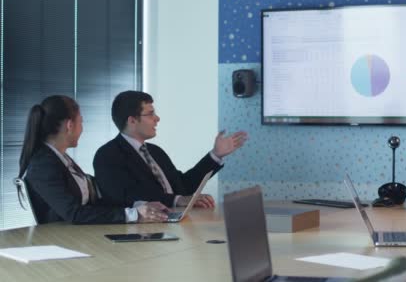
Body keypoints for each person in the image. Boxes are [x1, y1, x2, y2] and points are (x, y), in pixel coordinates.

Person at [18, 95, 169, 224]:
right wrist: (134, 215)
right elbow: (75, 213)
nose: (82, 129)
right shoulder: (43, 165)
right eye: (81, 122)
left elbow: (93, 202)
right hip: (63, 240)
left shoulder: (60, 159)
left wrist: (138, 206)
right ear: (70, 125)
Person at [93, 91, 248, 208]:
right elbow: (127, 196)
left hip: (174, 221)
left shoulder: (155, 151)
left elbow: (183, 186)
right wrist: (177, 200)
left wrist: (215, 155)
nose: (157, 118)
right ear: (132, 120)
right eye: (150, 114)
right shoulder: (107, 155)